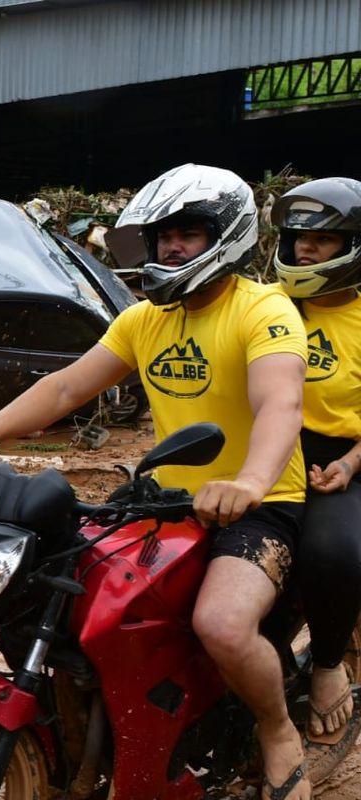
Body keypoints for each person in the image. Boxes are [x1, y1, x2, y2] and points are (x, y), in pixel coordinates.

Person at [0, 164, 311, 800]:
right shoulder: (144, 320)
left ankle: (277, 731)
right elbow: (66, 387)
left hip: (258, 506)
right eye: (164, 235)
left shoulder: (264, 310)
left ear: (227, 236)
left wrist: (248, 481)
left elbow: (281, 401)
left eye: (189, 233)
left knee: (221, 624)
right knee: (56, 594)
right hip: (162, 504)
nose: (172, 247)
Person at [272, 177, 361, 766]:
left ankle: (328, 663)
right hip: (270, 449)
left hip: (342, 456)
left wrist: (349, 464)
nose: (305, 249)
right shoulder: (268, 306)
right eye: (299, 237)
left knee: (330, 552)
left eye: (323, 239)